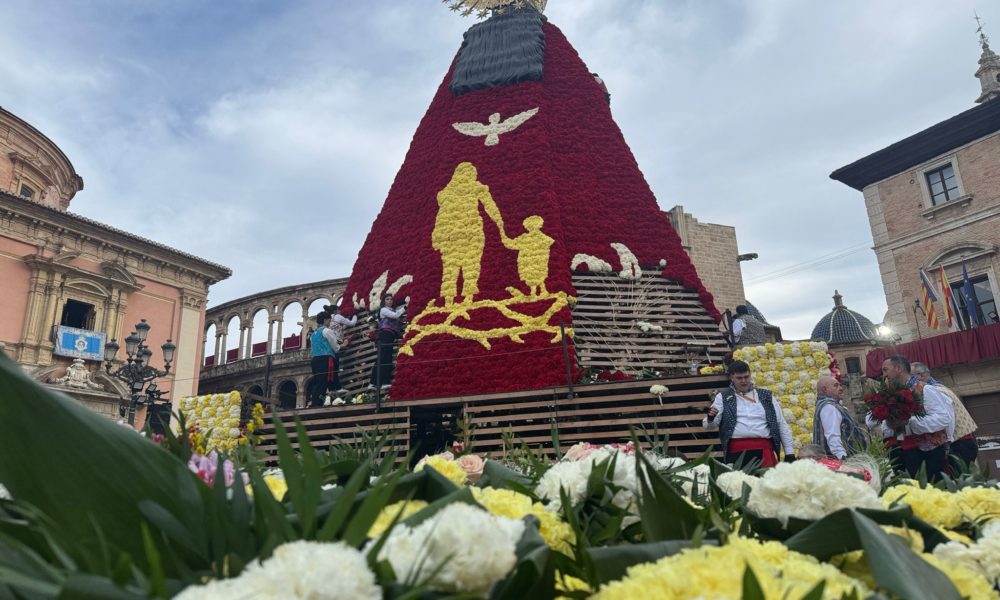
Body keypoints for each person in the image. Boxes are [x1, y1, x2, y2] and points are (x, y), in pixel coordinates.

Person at [868, 356, 953, 481]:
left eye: (886, 370)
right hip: (901, 453)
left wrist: (910, 423)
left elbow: (943, 418)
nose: (883, 375)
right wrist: (888, 421)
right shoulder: (887, 394)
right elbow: (870, 421)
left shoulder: (926, 389)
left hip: (928, 454)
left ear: (898, 369)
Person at [703, 360, 795, 467]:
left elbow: (780, 423)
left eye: (746, 377)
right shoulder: (722, 397)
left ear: (750, 375)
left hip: (764, 450)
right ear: (732, 378)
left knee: (766, 483)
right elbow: (708, 426)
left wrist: (789, 453)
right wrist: (710, 418)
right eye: (739, 378)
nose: (744, 381)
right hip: (736, 452)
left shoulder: (766, 396)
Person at [911, 362, 978, 466]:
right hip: (963, 441)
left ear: (922, 375)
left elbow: (947, 418)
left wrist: (947, 447)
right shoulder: (939, 387)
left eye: (911, 376)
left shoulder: (934, 390)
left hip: (958, 444)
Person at [812, 374, 866, 459]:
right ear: (825, 389)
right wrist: (843, 459)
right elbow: (833, 437)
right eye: (836, 386)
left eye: (840, 385)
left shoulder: (827, 405)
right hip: (843, 461)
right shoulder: (829, 407)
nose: (841, 388)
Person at [369, 292, 406, 391]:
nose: (390, 301)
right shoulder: (384, 310)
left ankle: (384, 382)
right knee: (382, 358)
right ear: (383, 301)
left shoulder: (391, 310)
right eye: (387, 299)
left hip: (390, 336)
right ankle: (373, 382)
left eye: (391, 299)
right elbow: (395, 316)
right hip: (385, 335)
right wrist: (405, 308)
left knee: (387, 358)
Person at [308, 312, 342, 407]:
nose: (330, 322)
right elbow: (335, 347)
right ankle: (318, 404)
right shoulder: (327, 331)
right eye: (329, 320)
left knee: (317, 382)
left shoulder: (313, 334)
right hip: (325, 358)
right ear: (325, 320)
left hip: (315, 360)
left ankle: (315, 402)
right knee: (324, 382)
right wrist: (343, 345)